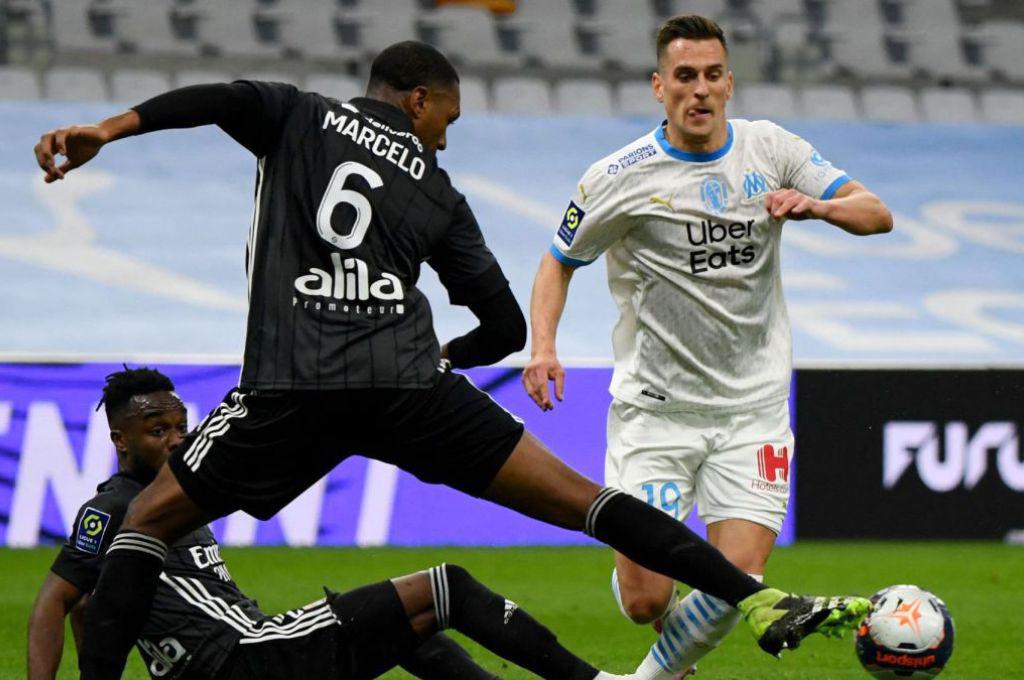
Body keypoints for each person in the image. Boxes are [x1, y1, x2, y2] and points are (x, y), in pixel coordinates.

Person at [33, 41, 870, 680]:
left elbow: (219, 98)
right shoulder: (437, 192)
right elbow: (503, 325)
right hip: (406, 383)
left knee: (142, 528)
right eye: (449, 124)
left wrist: (107, 128)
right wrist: (442, 357)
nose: (446, 141)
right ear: (421, 100)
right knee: (587, 501)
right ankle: (754, 597)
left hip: (295, 381)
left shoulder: (296, 112)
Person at [522, 15, 893, 680]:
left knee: (737, 579)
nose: (700, 90)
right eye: (685, 77)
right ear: (659, 87)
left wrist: (819, 208)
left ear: (730, 82)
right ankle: (662, 638)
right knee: (645, 601)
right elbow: (558, 261)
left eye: (713, 75)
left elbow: (876, 212)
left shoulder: (770, 148)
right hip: (655, 414)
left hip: (752, 412)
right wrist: (541, 346)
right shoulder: (619, 176)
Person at [27, 367, 624, 680]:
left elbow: (92, 610)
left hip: (256, 650)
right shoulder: (114, 510)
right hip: (247, 661)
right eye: (158, 432)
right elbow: (56, 603)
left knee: (411, 632)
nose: (176, 441)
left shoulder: (174, 504)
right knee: (446, 588)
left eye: (182, 427)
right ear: (119, 441)